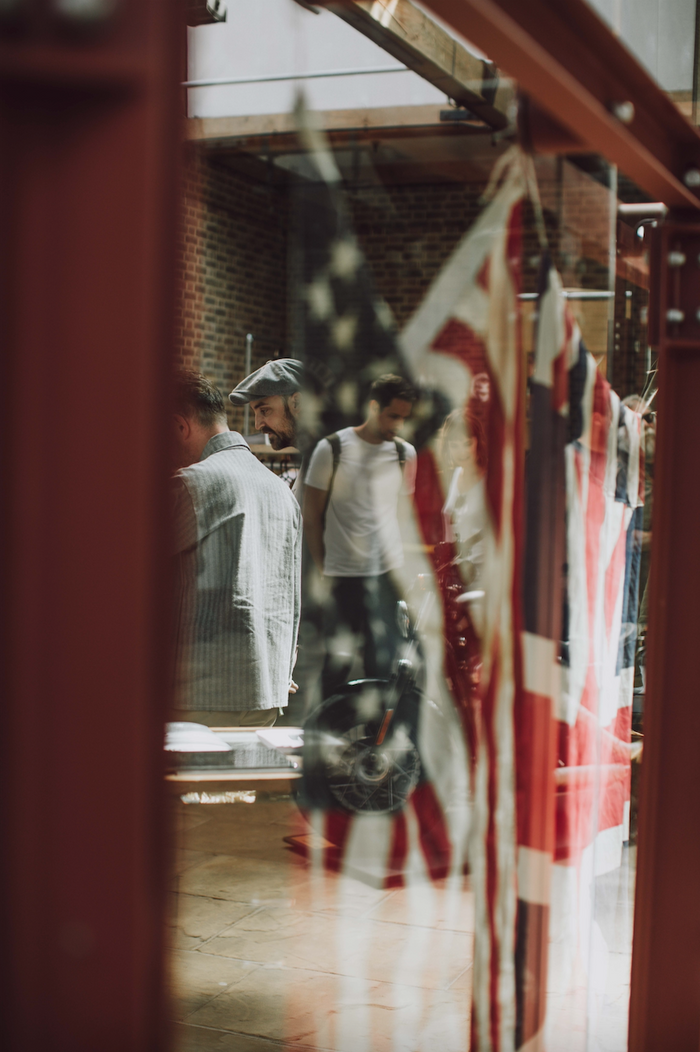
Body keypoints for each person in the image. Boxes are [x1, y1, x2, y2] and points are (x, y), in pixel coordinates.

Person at [172, 371, 302, 727]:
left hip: (198, 695)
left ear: (178, 426)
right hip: (266, 694)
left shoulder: (189, 485)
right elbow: (292, 595)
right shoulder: (281, 491)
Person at [303, 374, 417, 697]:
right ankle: (329, 725)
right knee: (335, 667)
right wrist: (323, 568)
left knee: (382, 666)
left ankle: (374, 729)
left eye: (404, 418)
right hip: (343, 576)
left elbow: (402, 516)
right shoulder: (332, 449)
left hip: (386, 576)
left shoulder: (404, 454)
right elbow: (311, 516)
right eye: (392, 416)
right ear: (373, 407)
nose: (398, 425)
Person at [228, 358, 304, 452]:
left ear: (297, 403)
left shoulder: (321, 454)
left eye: (264, 411)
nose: (257, 425)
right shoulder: (313, 454)